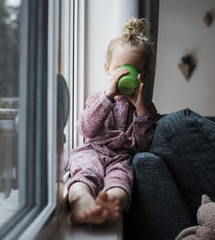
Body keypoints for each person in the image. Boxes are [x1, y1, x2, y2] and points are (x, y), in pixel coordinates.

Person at [66, 17, 159, 224]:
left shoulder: (145, 109)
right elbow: (85, 129)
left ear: (144, 75)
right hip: (92, 152)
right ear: (108, 68)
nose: (127, 75)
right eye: (120, 69)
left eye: (135, 70)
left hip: (121, 159)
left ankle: (108, 206)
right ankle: (82, 203)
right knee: (84, 176)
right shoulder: (99, 99)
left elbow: (145, 146)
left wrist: (141, 110)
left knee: (121, 183)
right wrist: (107, 98)